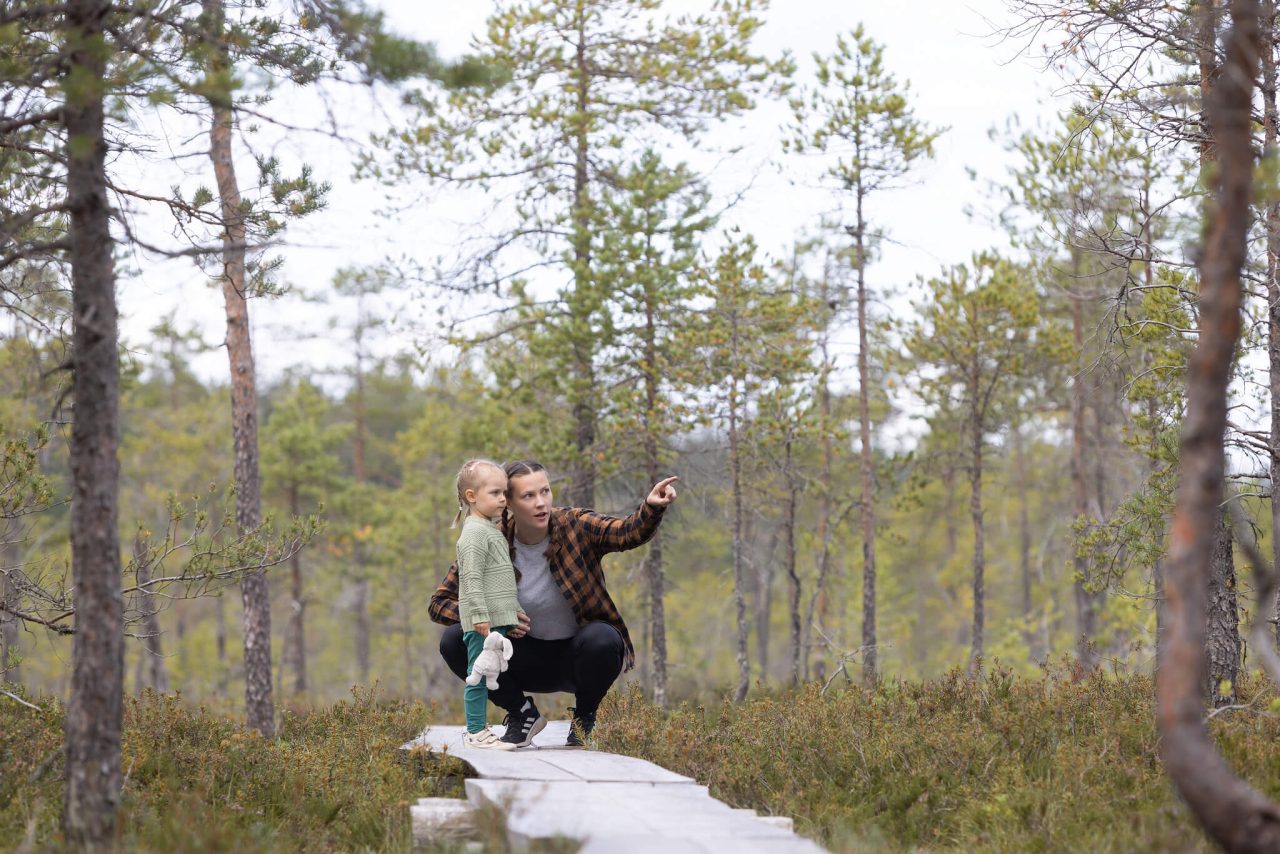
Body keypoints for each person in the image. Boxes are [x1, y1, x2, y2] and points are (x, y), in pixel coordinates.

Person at [430, 459, 678, 748]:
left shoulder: (575, 524)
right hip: (518, 659)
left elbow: (625, 532)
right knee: (454, 640)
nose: (541, 503)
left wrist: (652, 507)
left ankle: (585, 718)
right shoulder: (489, 539)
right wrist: (495, 618)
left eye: (545, 491)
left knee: (604, 638)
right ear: (506, 501)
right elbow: (439, 603)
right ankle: (521, 713)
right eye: (528, 496)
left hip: (576, 658)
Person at [452, 459, 524, 751]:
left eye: (505, 493)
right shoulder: (474, 534)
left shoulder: (489, 529)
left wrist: (511, 613)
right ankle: (475, 733)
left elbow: (499, 579)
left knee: (488, 672)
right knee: (477, 674)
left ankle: (480, 729)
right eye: (495, 493)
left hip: (495, 619)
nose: (503, 500)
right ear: (472, 496)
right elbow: (470, 579)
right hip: (482, 623)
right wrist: (481, 616)